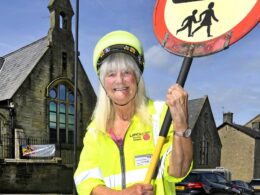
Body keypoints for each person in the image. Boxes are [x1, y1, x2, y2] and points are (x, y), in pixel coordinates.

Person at [74, 30, 193, 195]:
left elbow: (178, 171)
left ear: (137, 77)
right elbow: (86, 182)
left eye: (126, 72)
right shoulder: (95, 131)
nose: (119, 80)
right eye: (111, 74)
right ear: (103, 83)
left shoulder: (160, 114)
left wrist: (181, 125)